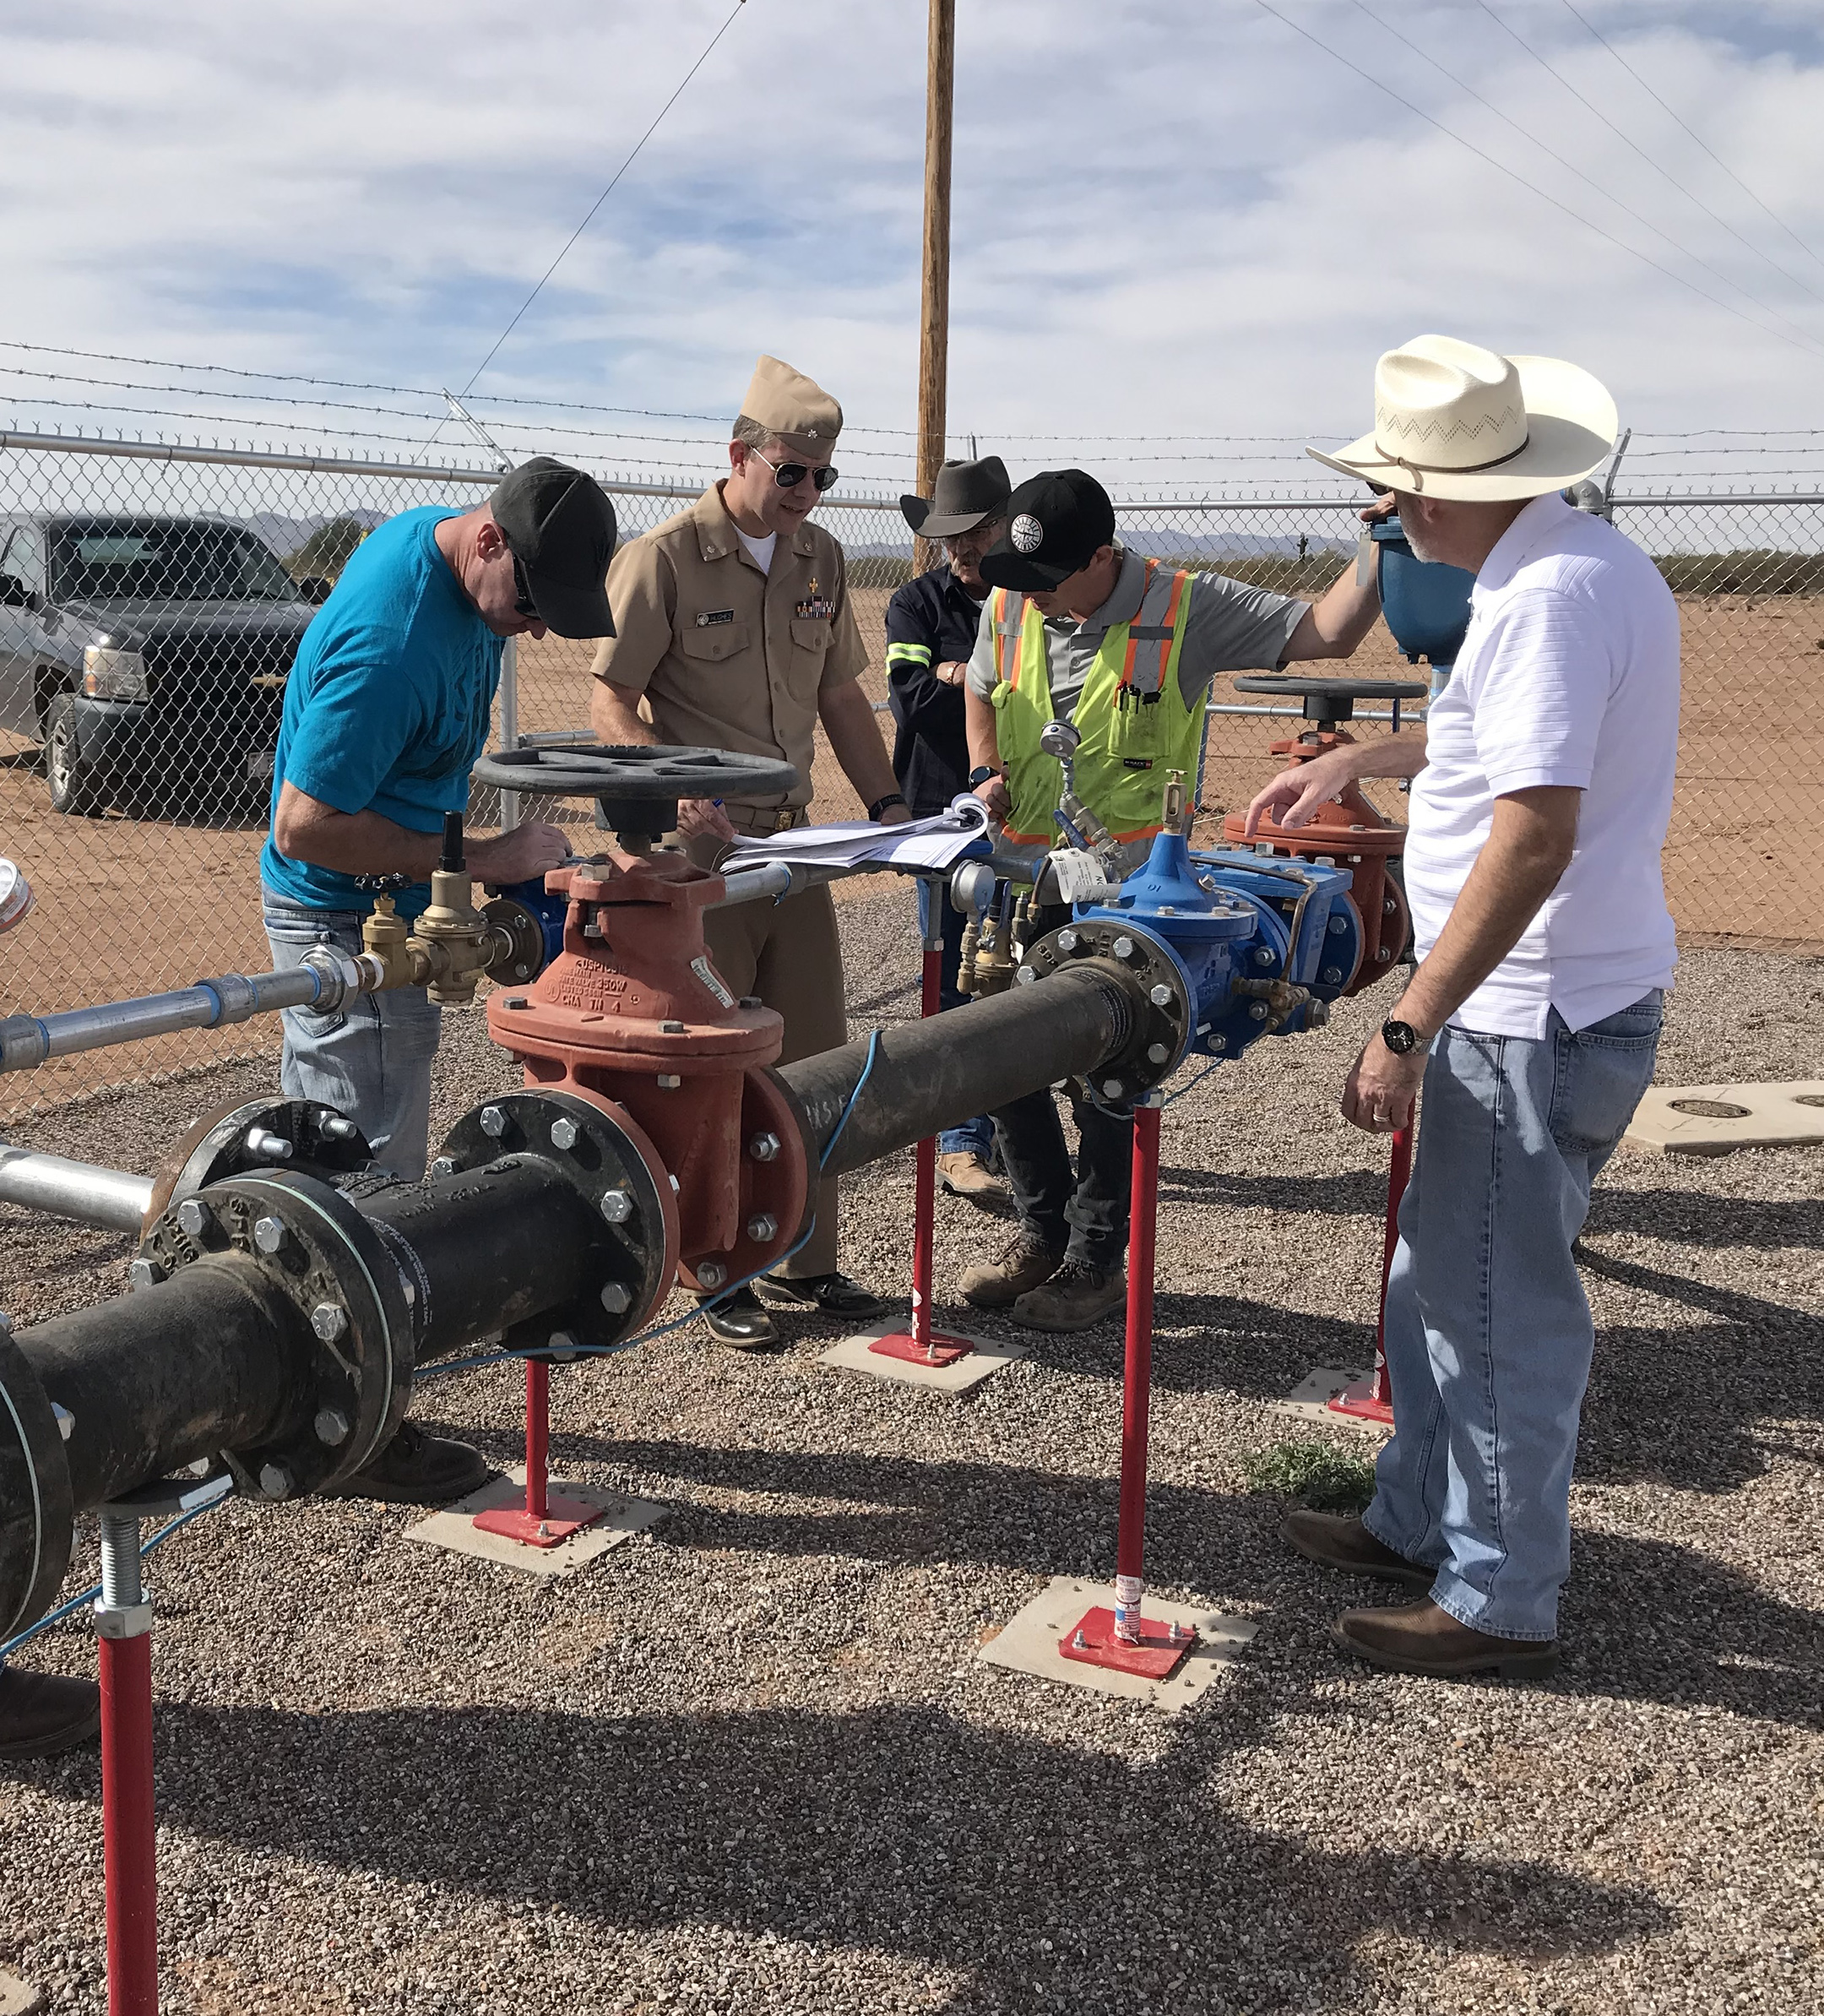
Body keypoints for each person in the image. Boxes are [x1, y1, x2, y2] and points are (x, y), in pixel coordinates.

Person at [1260, 333, 1676, 1682]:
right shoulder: (1565, 566)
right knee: (1440, 1272)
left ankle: (1500, 1595)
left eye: (1392, 493)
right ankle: (1414, 1513)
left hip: (1526, 1011)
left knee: (1497, 1303)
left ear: (1430, 493)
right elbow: (1497, 735)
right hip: (1538, 1000)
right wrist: (1363, 761)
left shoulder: (1547, 595)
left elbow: (1534, 830)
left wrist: (1408, 1018)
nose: (1390, 516)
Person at [263, 456, 618, 1501]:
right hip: (342, 910)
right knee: (364, 1164)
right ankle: (348, 1419)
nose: (540, 630)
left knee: (371, 1146)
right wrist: (484, 857)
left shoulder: (454, 553)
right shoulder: (394, 640)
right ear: (491, 542)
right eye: (534, 605)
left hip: (394, 895)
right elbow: (307, 821)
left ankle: (327, 1375)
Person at [958, 468, 1385, 1331]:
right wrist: (985, 769)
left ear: (1104, 559)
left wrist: (1391, 532)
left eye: (1051, 583)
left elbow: (1330, 632)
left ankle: (1091, 1262)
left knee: (1109, 1073)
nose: (1032, 600)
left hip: (1134, 895)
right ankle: (1039, 1235)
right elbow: (980, 684)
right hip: (1025, 878)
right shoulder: (1012, 600)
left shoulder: (1183, 607)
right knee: (999, 1055)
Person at [589, 356, 906, 1348]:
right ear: (740, 455)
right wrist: (675, 790)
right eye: (792, 472)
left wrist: (890, 805)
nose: (807, 493)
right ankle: (716, 1271)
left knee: (811, 1053)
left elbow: (841, 696)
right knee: (711, 1066)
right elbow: (609, 699)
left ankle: (809, 1260)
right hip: (703, 864)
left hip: (793, 848)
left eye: (823, 478)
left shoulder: (819, 559)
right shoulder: (667, 558)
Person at [888, 455, 1013, 1204]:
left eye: (974, 532)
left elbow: (1034, 692)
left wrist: (962, 673)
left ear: (1003, 527)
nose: (961, 549)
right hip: (944, 816)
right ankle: (963, 1142)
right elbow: (911, 699)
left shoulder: (1034, 598)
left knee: (1024, 973)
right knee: (956, 975)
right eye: (949, 537)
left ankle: (1010, 1130)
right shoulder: (913, 603)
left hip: (1021, 811)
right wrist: (983, 683)